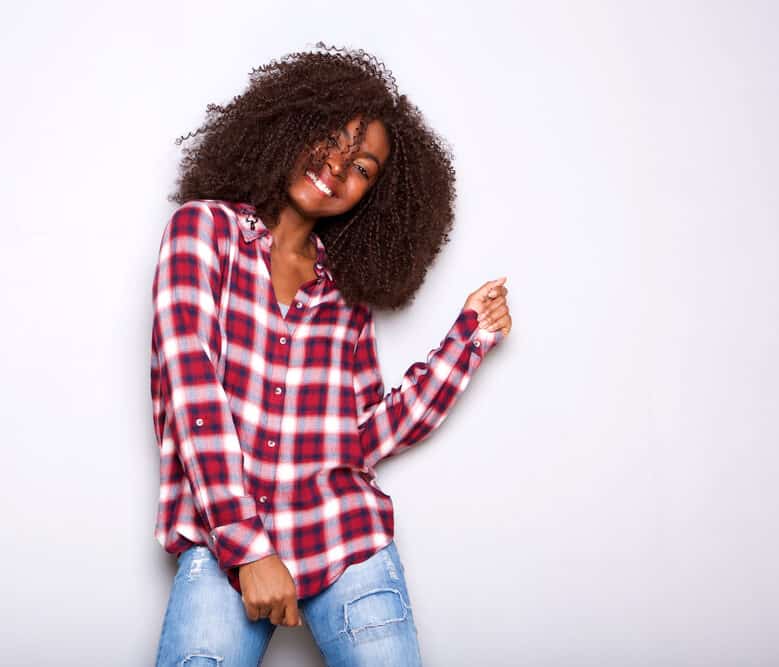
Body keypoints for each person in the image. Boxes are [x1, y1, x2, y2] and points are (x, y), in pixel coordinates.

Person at [150, 42, 512, 666]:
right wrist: (247, 547)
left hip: (343, 537)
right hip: (223, 541)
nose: (341, 167)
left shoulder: (345, 293)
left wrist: (469, 339)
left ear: (373, 196)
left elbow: (364, 434)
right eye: (335, 138)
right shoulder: (202, 231)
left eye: (365, 167)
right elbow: (191, 387)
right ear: (293, 125)